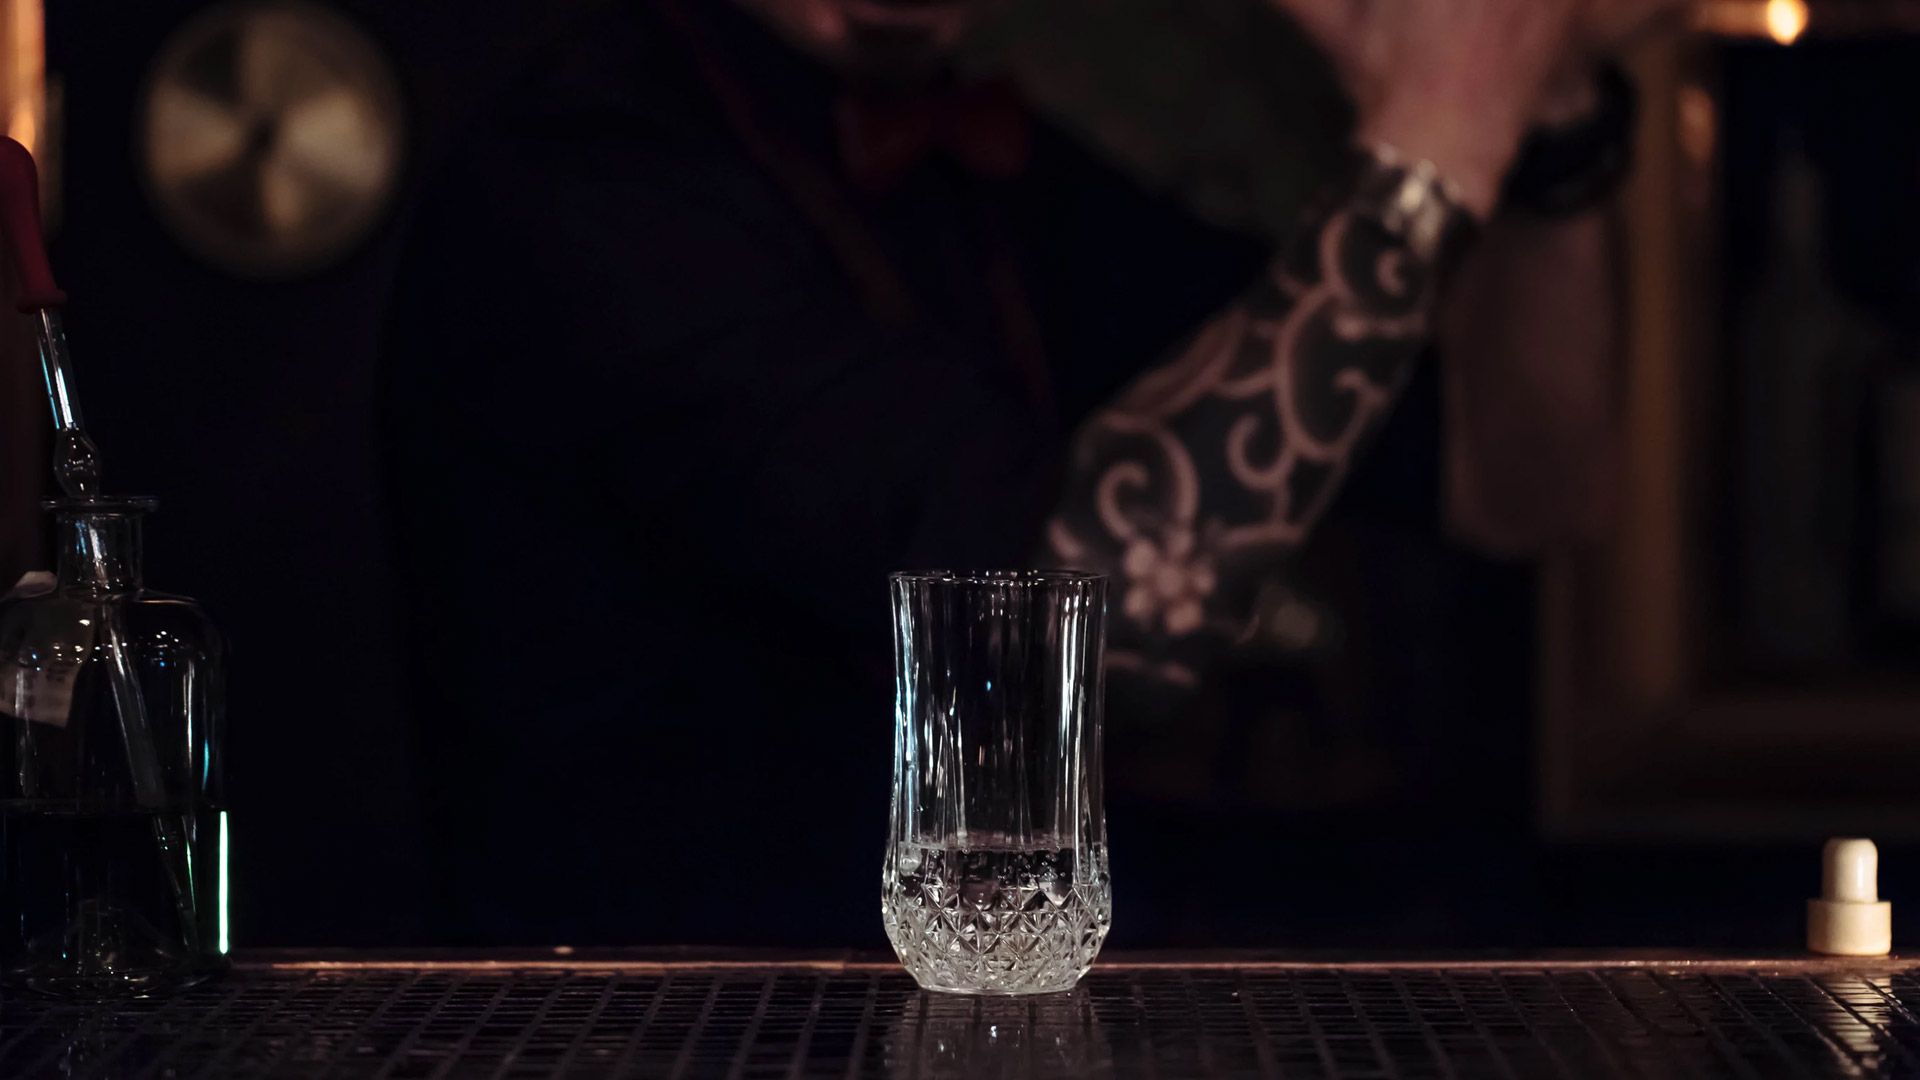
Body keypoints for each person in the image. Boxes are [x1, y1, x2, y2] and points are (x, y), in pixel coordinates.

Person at [381, 0, 1684, 944]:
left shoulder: (987, 158)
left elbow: (1523, 483)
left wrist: (1553, 125)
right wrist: (1443, 124)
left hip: (980, 1003)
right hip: (660, 1022)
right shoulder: (583, 177)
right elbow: (1092, 634)